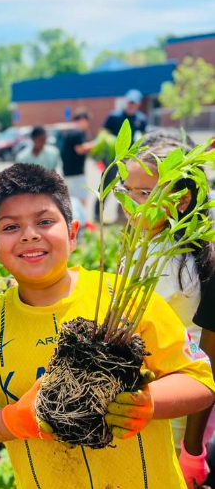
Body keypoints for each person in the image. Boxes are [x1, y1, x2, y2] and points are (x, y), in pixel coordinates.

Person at [0, 163, 215, 488]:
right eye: (10, 227)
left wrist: (148, 403)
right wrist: (11, 421)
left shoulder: (126, 298)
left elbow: (199, 378)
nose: (30, 234)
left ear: (73, 234)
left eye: (45, 221)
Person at [118, 129, 215, 487]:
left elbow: (207, 354)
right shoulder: (148, 240)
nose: (132, 205)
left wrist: (193, 449)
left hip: (171, 407)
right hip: (147, 401)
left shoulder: (180, 264)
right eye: (128, 192)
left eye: (145, 194)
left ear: (182, 201)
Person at [94, 89, 148, 221]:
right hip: (113, 158)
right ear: (126, 101)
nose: (131, 105)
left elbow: (143, 138)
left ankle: (123, 217)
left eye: (134, 103)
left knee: (128, 188)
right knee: (106, 185)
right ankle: (97, 215)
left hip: (130, 160)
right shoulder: (114, 116)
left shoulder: (141, 119)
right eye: (130, 102)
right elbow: (103, 134)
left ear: (138, 104)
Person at [61, 107, 94, 207]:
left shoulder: (70, 132)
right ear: (83, 120)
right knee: (81, 199)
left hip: (68, 171)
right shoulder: (77, 132)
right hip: (76, 172)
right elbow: (79, 149)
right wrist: (96, 143)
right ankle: (80, 221)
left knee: (72, 199)